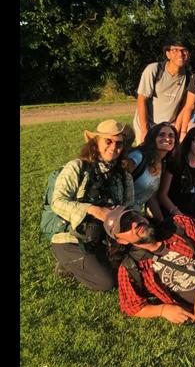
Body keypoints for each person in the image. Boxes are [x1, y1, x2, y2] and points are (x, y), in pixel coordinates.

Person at [47, 120, 134, 291]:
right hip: (72, 238)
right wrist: (93, 210)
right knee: (106, 282)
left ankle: (95, 259)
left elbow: (131, 206)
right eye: (108, 141)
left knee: (131, 270)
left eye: (119, 143)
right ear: (96, 143)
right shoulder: (77, 167)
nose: (113, 147)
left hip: (105, 237)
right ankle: (66, 264)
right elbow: (57, 202)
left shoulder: (124, 176)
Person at [158, 126, 195, 241]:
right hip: (174, 212)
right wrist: (178, 214)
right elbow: (162, 195)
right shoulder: (176, 163)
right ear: (189, 141)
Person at [132, 39, 191, 144]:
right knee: (146, 153)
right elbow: (141, 100)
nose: (180, 54)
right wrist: (144, 131)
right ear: (168, 54)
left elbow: (185, 107)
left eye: (184, 50)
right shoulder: (154, 70)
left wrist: (176, 129)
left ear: (189, 54)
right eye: (175, 50)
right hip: (147, 124)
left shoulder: (189, 78)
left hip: (168, 128)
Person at [125, 122, 179, 221]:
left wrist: (161, 221)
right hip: (121, 212)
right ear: (152, 138)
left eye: (171, 136)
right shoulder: (138, 157)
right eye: (161, 135)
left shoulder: (163, 164)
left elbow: (151, 197)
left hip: (135, 214)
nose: (167, 139)